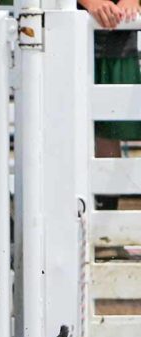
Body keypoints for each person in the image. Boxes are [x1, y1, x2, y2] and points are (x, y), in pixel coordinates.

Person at [78, 0, 140, 209]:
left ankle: (108, 219)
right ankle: (104, 218)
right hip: (69, 33)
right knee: (78, 129)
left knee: (110, 128)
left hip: (121, 39)